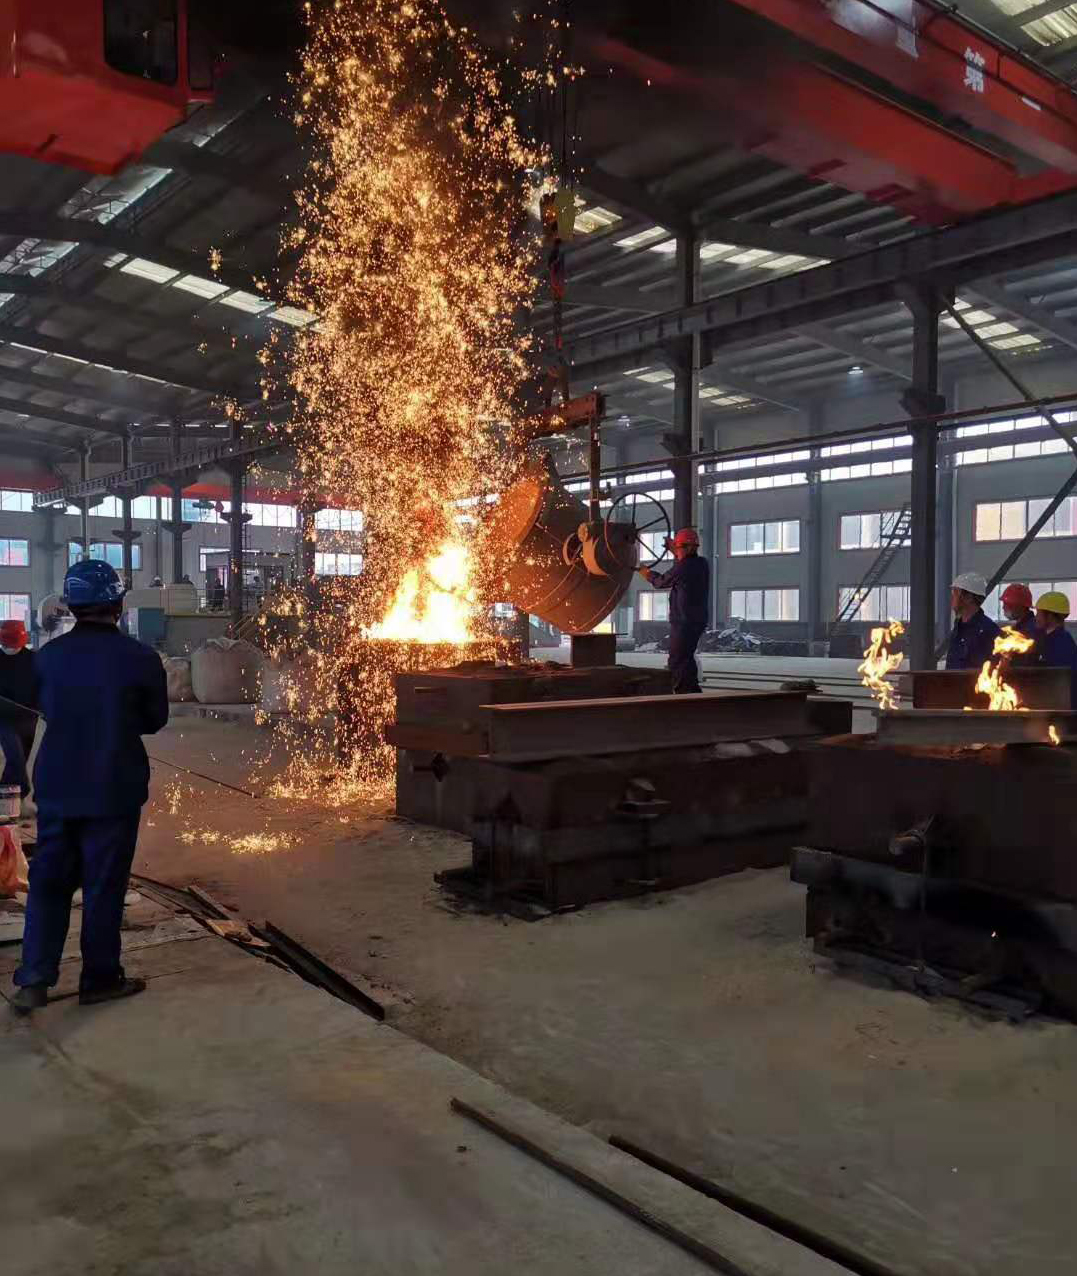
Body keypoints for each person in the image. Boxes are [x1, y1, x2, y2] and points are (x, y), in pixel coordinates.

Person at [11, 561, 169, 1015]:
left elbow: (38, 706)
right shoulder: (140, 658)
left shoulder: (48, 658)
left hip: (59, 782)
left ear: (70, 605)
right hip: (112, 784)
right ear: (118, 604)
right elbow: (154, 721)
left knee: (48, 882)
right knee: (103, 885)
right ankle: (100, 979)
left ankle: (35, 980)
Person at [638, 527, 710, 693]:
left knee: (677, 659)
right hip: (697, 621)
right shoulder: (702, 563)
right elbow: (684, 564)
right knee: (686, 658)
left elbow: (661, 582)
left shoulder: (683, 567)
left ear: (685, 548)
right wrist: (674, 551)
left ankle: (682, 694)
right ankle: (692, 693)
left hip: (684, 621)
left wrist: (646, 573)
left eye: (678, 548)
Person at [0, 619, 37, 801]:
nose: (10, 647)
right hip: (4, 717)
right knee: (16, 758)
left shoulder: (33, 659)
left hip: (28, 717)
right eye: (6, 643)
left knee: (21, 759)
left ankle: (13, 801)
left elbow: (42, 686)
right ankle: (12, 798)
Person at [945, 571, 1000, 670]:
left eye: (956, 592)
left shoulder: (989, 630)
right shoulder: (959, 626)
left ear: (969, 597)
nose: (952, 597)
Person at [1033, 589, 1077, 709]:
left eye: (1039, 613)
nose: (1036, 617)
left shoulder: (1062, 643)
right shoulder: (1045, 638)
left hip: (1060, 709)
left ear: (1051, 616)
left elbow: (1063, 681)